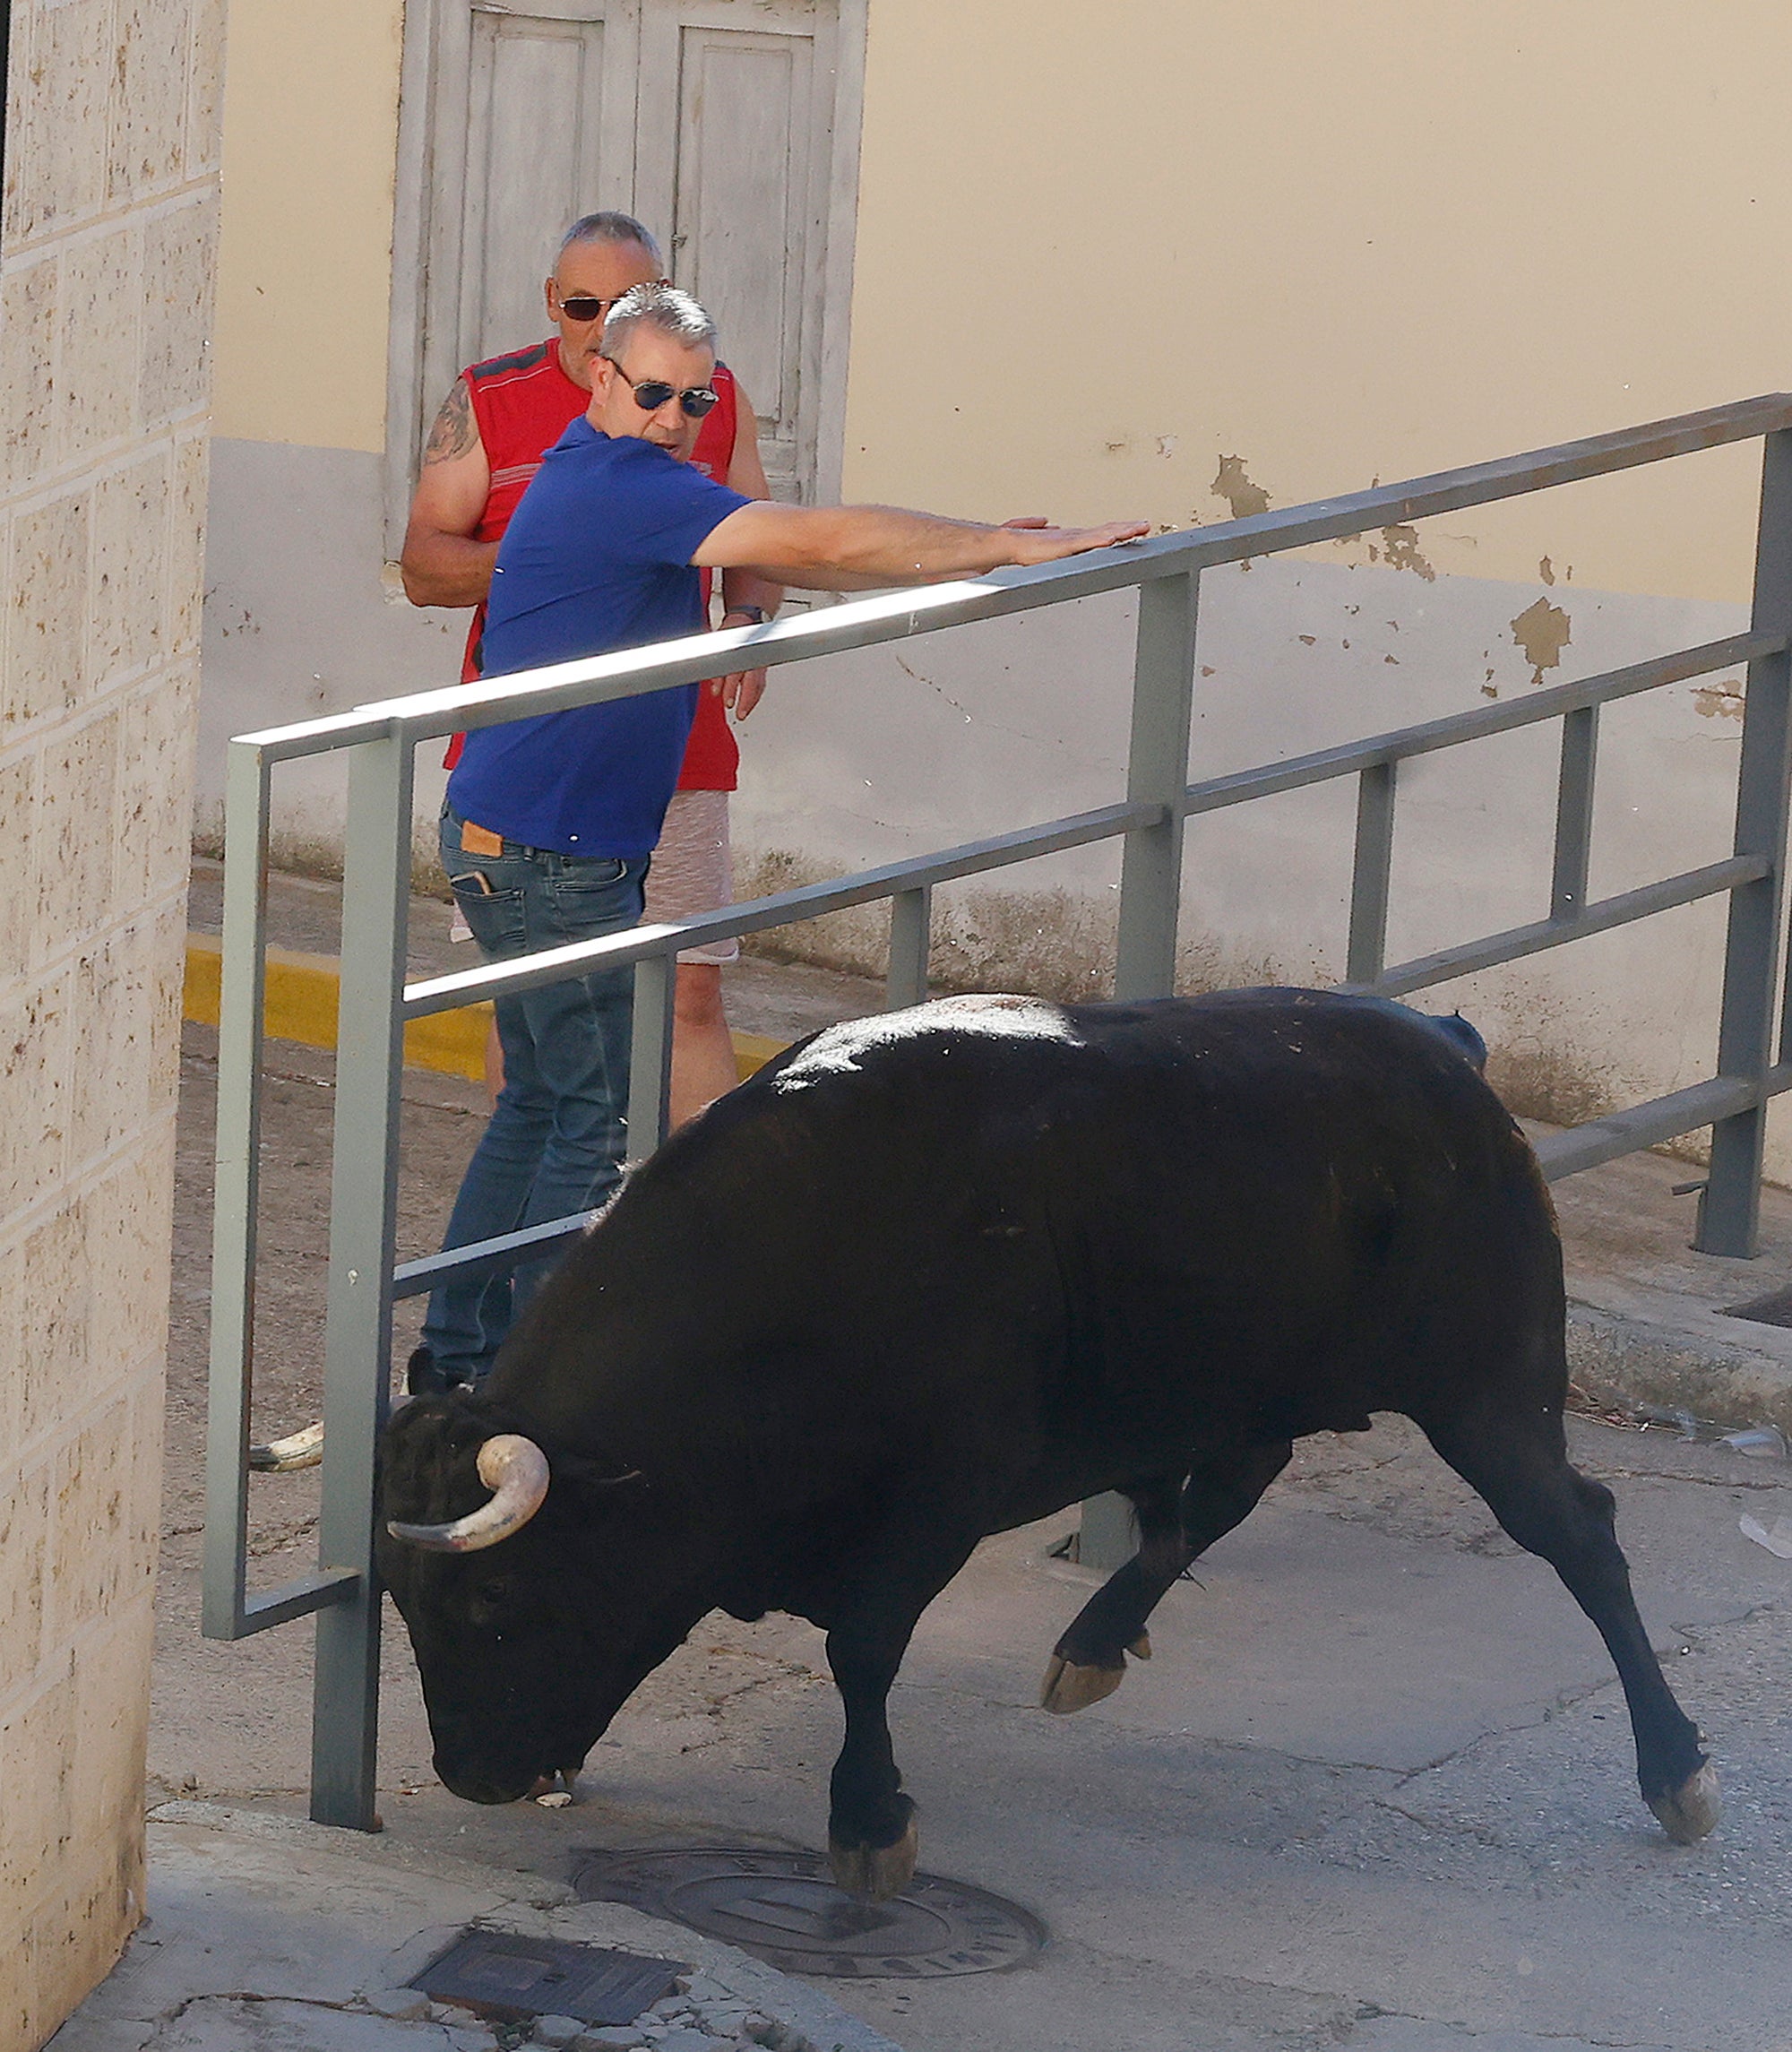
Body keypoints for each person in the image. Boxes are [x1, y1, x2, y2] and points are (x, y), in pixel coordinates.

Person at [413, 283, 1149, 1390]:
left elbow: (803, 556)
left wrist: (959, 550)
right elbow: (824, 535)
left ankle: (462, 1357)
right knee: (585, 1114)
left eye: (695, 400)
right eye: (651, 391)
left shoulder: (616, 473)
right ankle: (515, 1373)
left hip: (523, 834)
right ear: (602, 378)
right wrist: (991, 543)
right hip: (546, 852)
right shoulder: (622, 484)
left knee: (543, 1099)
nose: (672, 417)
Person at [401, 211, 780, 1127]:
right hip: (532, 749)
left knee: (689, 986)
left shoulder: (706, 393)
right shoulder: (487, 397)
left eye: (630, 302)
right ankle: (533, 1214)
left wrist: (749, 614)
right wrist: (557, 553)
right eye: (584, 304)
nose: (603, 319)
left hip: (671, 737)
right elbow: (422, 564)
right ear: (552, 303)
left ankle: (692, 1223)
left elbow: (759, 526)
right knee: (531, 1002)